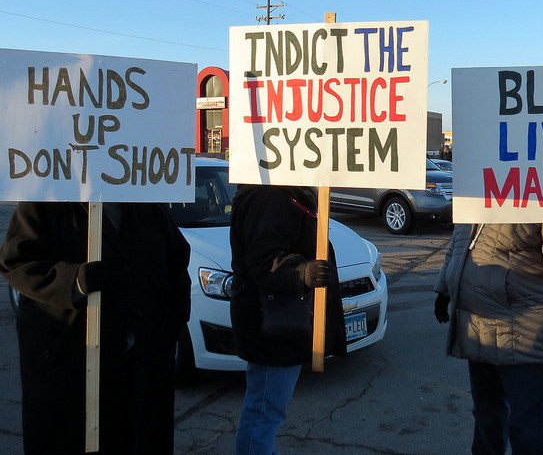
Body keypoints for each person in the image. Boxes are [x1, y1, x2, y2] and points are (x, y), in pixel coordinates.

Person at [0, 202, 191, 454]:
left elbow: (176, 258)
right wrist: (71, 280)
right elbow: (15, 262)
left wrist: (172, 320)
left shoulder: (145, 200)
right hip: (74, 365)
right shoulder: (48, 199)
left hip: (141, 369)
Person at [433, 223, 543, 455]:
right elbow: (458, 247)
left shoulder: (542, 193)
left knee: (526, 424)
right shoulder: (474, 192)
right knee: (486, 415)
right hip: (479, 330)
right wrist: (444, 288)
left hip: (525, 334)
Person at [230, 185, 347, 454]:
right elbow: (263, 260)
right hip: (274, 325)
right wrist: (302, 273)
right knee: (264, 411)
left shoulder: (282, 194)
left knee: (267, 409)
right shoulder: (268, 196)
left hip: (282, 321)